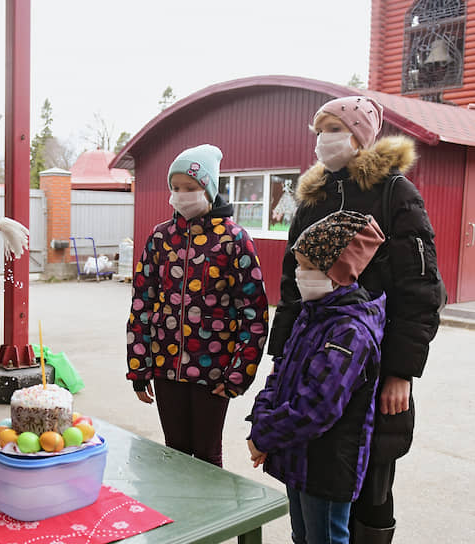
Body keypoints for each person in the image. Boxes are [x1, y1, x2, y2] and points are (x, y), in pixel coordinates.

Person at [267, 96, 445, 543]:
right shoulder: (312, 198)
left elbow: (420, 288)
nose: (324, 140)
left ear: (359, 134)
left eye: (333, 128)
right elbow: (293, 284)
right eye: (319, 130)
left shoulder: (394, 192)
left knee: (372, 479)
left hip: (373, 359)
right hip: (312, 357)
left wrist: (401, 372)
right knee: (310, 468)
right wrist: (282, 356)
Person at [125, 144, 268, 467]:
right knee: (174, 451)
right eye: (175, 188)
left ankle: (214, 516)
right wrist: (139, 367)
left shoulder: (235, 240)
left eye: (190, 188)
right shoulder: (160, 238)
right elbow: (142, 305)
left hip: (213, 373)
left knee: (206, 456)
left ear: (209, 189)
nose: (181, 195)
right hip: (164, 367)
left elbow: (254, 315)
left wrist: (237, 375)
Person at [248, 210, 386, 544]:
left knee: (324, 537)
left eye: (308, 267)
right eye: (298, 265)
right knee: (303, 535)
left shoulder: (350, 331)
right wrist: (260, 421)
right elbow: (280, 372)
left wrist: (265, 436)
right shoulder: (313, 314)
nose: (299, 275)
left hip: (326, 465)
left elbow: (317, 407)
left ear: (338, 273)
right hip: (297, 455)